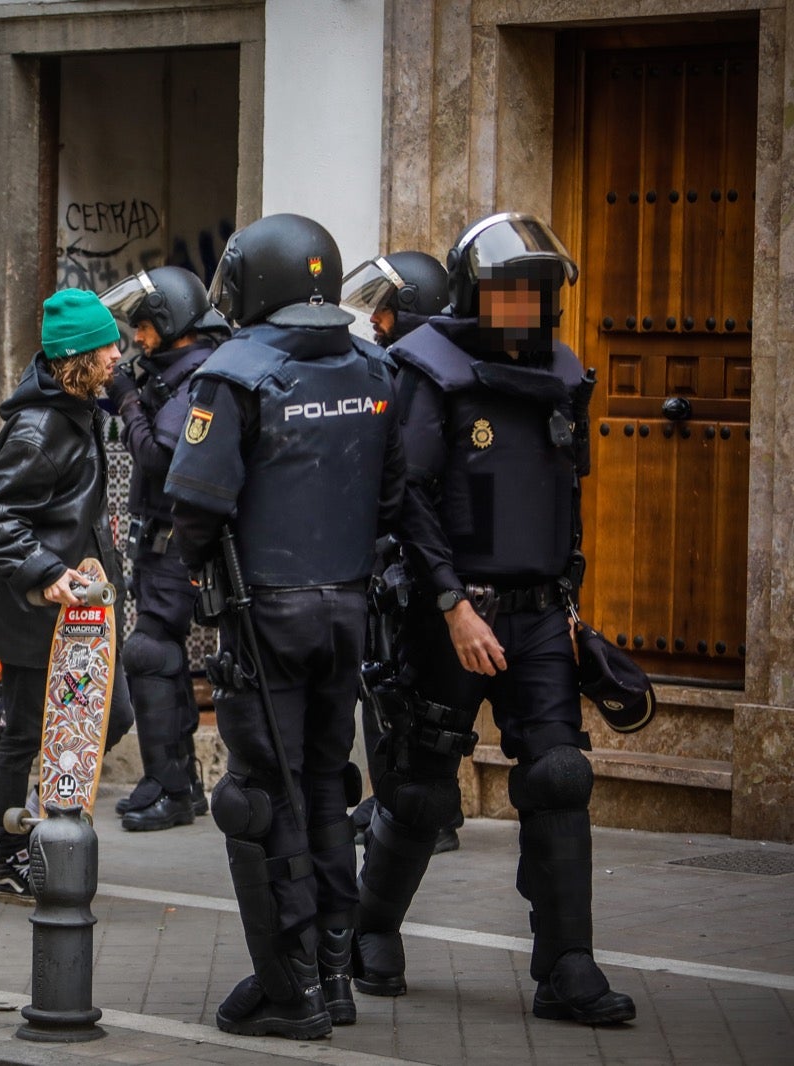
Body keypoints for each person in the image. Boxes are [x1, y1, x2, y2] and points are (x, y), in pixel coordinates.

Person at [352, 212, 635, 1026]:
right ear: (478, 295)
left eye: (539, 293)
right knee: (421, 784)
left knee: (559, 776)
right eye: (511, 291)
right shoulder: (428, 370)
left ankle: (568, 969)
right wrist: (449, 603)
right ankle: (371, 928)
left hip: (540, 615)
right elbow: (406, 496)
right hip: (450, 614)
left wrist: (569, 604)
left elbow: (560, 500)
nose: (526, 307)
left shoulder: (562, 373)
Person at [165, 214, 405, 1038]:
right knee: (327, 784)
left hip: (265, 615)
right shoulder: (376, 364)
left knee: (259, 799)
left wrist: (192, 569)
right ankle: (335, 976)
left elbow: (195, 505)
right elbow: (396, 490)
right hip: (348, 610)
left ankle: (288, 987)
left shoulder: (234, 373)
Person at [0, 287, 134, 903]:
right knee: (24, 732)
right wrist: (44, 570)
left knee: (110, 715)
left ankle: (47, 823)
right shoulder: (39, 429)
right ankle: (12, 855)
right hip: (34, 608)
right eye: (107, 346)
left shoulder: (78, 406)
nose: (118, 354)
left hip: (78, 608)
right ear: (77, 357)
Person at [340, 250, 464, 855]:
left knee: (417, 689)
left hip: (419, 553)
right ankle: (391, 795)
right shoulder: (398, 370)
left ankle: (433, 814)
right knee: (384, 678)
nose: (376, 322)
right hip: (392, 549)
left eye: (385, 312)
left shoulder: (427, 377)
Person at [100, 266, 230, 832]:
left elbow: (159, 455)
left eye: (146, 327)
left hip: (181, 542)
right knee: (162, 657)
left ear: (173, 321)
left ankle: (173, 788)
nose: (138, 338)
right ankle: (174, 781)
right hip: (157, 543)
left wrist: (128, 401)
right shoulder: (164, 374)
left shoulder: (197, 375)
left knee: (151, 652)